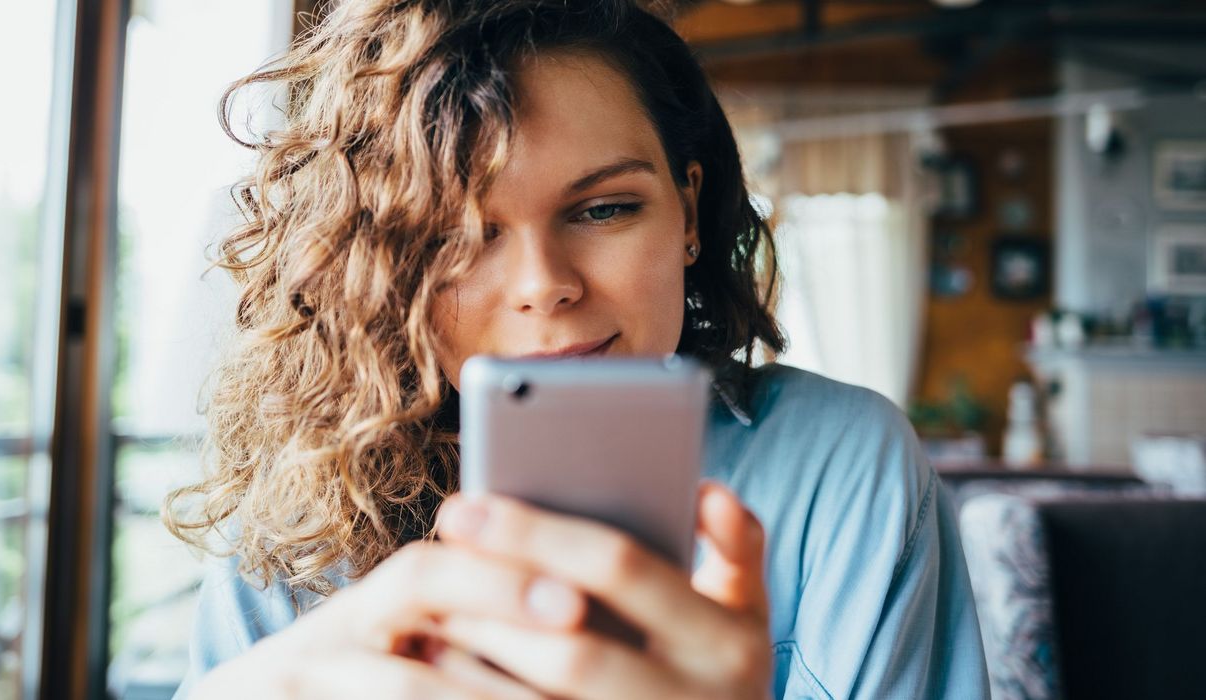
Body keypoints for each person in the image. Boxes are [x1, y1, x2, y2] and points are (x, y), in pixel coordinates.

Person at [165, 1, 989, 698]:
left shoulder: (842, 465)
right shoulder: (299, 515)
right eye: (459, 236)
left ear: (689, 213)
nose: (543, 285)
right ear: (382, 267)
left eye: (603, 210)